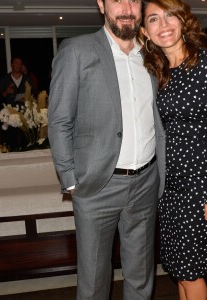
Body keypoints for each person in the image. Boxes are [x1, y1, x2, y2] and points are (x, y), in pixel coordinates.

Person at [48, 0, 165, 299]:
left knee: (141, 277)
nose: (126, 7)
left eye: (133, 0)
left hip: (146, 182)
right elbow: (60, 121)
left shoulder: (153, 53)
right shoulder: (76, 50)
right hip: (96, 186)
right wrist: (71, 180)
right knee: (94, 281)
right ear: (101, 4)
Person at [139, 0, 207, 299]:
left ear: (182, 20)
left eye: (170, 16)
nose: (163, 25)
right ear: (145, 31)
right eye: (154, 19)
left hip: (200, 187)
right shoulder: (160, 72)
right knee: (179, 270)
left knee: (192, 273)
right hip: (170, 186)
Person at [0, 56, 34, 150]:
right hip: (9, 115)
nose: (18, 65)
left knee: (25, 141)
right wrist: (6, 91)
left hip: (24, 114)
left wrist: (26, 99)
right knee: (11, 141)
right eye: (16, 63)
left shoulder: (27, 79)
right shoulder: (5, 79)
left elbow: (33, 95)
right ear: (11, 64)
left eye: (20, 63)